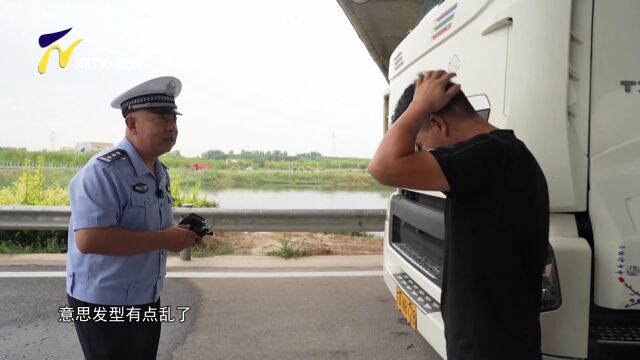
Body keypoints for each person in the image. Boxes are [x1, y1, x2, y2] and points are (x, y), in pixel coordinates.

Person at [368, 70, 549, 360]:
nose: (422, 153)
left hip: (489, 347)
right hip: (504, 340)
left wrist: (418, 107)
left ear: (437, 123)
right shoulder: (507, 154)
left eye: (420, 144)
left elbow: (382, 167)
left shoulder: (488, 156)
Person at [66, 76, 201, 359]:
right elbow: (90, 239)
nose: (171, 127)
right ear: (131, 124)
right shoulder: (103, 171)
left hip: (145, 297)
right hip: (103, 302)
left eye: (174, 120)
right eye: (161, 119)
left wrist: (179, 234)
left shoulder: (159, 171)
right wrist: (165, 239)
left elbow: (147, 229)